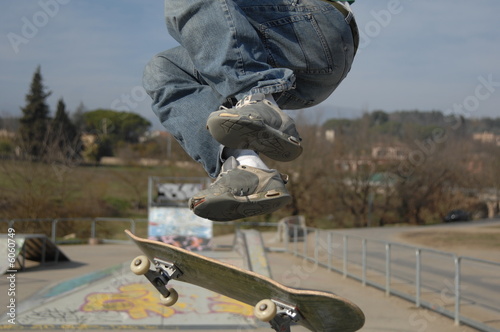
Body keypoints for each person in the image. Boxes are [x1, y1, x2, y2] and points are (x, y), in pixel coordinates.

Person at [143, 0, 358, 221]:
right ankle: (246, 166)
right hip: (293, 74)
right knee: (163, 69)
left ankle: (257, 94)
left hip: (313, 26)